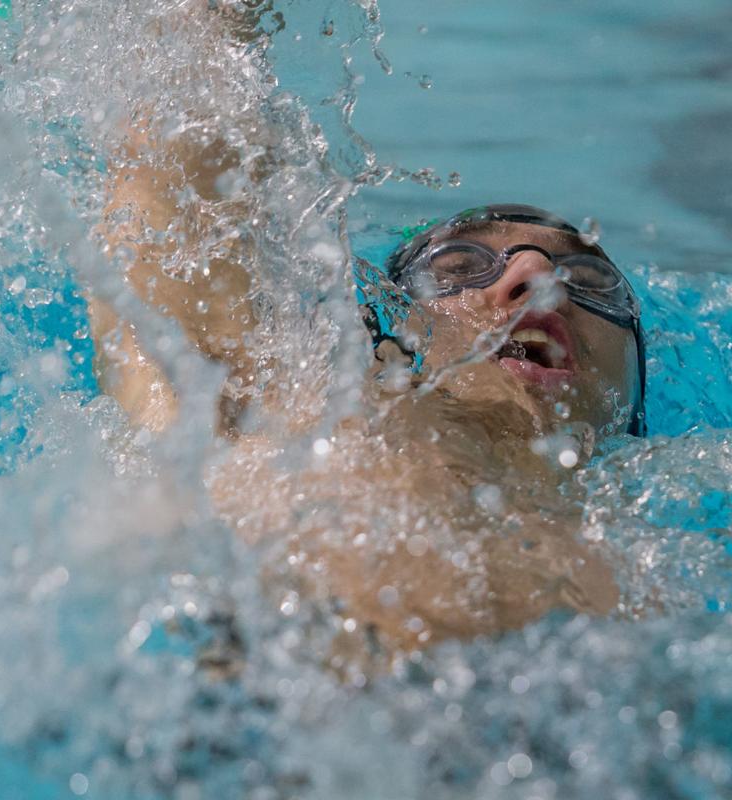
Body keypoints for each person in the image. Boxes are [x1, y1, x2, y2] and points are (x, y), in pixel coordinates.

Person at [87, 4, 648, 665]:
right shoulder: (297, 420)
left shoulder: (677, 539)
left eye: (590, 277)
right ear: (387, 335)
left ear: (636, 397)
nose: (535, 273)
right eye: (459, 267)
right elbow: (173, 226)